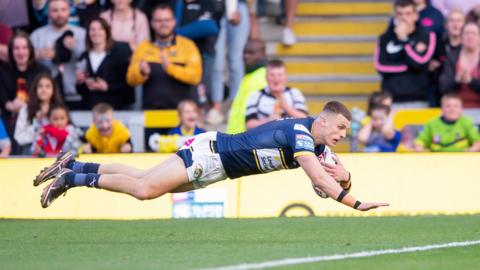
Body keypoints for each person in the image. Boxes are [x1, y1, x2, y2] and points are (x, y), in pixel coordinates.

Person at [35, 101, 389, 213]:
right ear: (323, 120)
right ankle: (72, 178)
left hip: (218, 168)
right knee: (145, 189)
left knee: (145, 180)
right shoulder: (300, 133)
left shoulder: (318, 146)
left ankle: (74, 165)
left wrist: (344, 177)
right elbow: (316, 179)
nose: (343, 134)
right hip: (212, 153)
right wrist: (356, 201)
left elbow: (322, 189)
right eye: (340, 127)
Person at [126, 4, 202, 109]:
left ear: (174, 22)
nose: (163, 24)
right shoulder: (143, 48)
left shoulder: (187, 46)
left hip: (181, 115)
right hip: (151, 115)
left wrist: (171, 68)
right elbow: (130, 79)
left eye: (167, 20)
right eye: (159, 21)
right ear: (152, 23)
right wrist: (141, 72)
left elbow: (195, 77)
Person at [374, 0, 436, 108]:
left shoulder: (427, 36)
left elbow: (420, 63)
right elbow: (380, 67)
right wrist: (408, 67)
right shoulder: (384, 38)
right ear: (394, 16)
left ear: (416, 16)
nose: (403, 18)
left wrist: (404, 40)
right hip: (392, 101)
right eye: (399, 14)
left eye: (408, 14)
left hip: (418, 100)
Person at [30, 0, 87, 109]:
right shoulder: (36, 35)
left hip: (76, 95)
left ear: (69, 12)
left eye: (63, 10)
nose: (59, 14)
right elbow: (24, 63)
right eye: (55, 10)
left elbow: (90, 62)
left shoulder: (82, 34)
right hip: (47, 98)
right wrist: (38, 55)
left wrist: (75, 48)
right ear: (48, 13)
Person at [0, 31, 50, 154]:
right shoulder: (2, 70)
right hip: (9, 120)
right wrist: (10, 105)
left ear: (30, 50)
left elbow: (49, 95)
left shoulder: (42, 70)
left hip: (36, 119)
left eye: (24, 48)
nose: (21, 52)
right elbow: (2, 97)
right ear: (11, 51)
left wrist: (27, 107)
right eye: (16, 48)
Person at [76, 17, 134, 110]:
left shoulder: (119, 53)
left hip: (116, 109)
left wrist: (108, 87)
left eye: (100, 29)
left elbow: (128, 84)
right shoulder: (84, 56)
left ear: (107, 31)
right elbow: (80, 90)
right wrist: (81, 82)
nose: (96, 33)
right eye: (92, 30)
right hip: (91, 109)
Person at [209, 0, 249, 125]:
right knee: (217, 62)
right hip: (213, 7)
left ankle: (234, 105)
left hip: (238, 6)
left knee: (235, 60)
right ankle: (216, 106)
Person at [245, 59, 308, 130]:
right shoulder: (256, 95)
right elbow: (248, 124)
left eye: (279, 75)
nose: (276, 78)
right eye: (272, 75)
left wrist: (286, 107)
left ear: (285, 77)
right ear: (266, 77)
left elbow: (305, 120)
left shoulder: (294, 93)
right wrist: (267, 120)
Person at [15, 73, 64, 155]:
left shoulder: (60, 109)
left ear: (53, 90)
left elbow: (67, 132)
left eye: (47, 86)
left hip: (56, 152)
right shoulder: (26, 109)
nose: (43, 89)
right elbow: (19, 138)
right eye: (40, 86)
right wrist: (36, 125)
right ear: (35, 89)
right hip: (31, 152)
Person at [226, 39, 267, 134]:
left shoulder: (265, 77)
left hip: (249, 138)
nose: (246, 56)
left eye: (251, 53)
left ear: (262, 54)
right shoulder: (249, 76)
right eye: (244, 52)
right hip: (238, 138)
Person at [414, 93, 480, 152]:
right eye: (448, 106)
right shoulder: (432, 123)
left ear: (461, 109)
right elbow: (421, 141)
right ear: (441, 109)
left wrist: (472, 150)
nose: (452, 109)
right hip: (436, 160)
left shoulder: (466, 122)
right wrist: (419, 148)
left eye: (456, 106)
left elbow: (477, 141)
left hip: (460, 160)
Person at [439, 22, 480, 108]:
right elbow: (443, 88)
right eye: (466, 33)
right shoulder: (452, 57)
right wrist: (456, 81)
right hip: (455, 111)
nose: (470, 37)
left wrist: (471, 81)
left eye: (474, 33)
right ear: (461, 38)